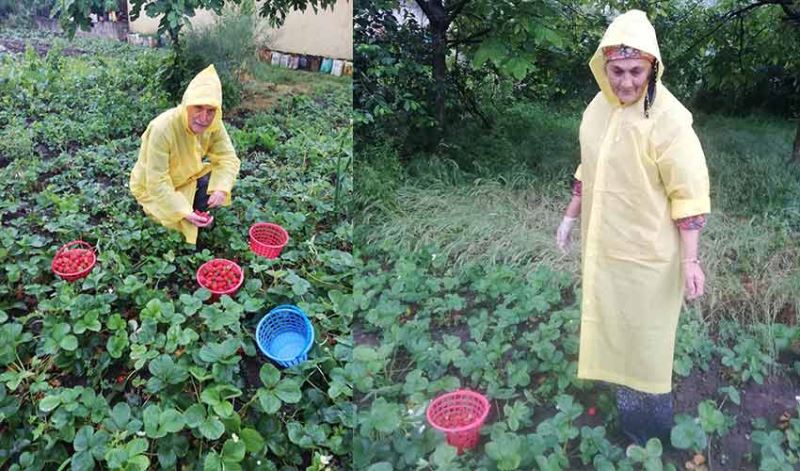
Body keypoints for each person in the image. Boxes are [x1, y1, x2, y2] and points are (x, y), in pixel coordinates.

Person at [555, 10, 710, 446]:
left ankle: (651, 433)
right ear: (603, 67)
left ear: (653, 67)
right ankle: (628, 416)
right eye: (617, 71)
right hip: (604, 248)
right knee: (612, 324)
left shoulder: (669, 121)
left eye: (636, 71)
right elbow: (590, 165)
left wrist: (691, 259)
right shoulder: (597, 109)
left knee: (646, 341)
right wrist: (570, 215)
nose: (625, 82)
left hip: (648, 256)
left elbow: (689, 194)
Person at [130, 64, 241, 245]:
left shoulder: (214, 125)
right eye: (198, 108)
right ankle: (182, 210)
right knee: (175, 224)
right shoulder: (162, 128)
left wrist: (221, 188)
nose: (204, 118)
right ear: (186, 105)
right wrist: (184, 211)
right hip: (151, 187)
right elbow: (157, 181)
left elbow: (227, 158)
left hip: (187, 177)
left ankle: (192, 206)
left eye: (211, 110)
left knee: (219, 180)